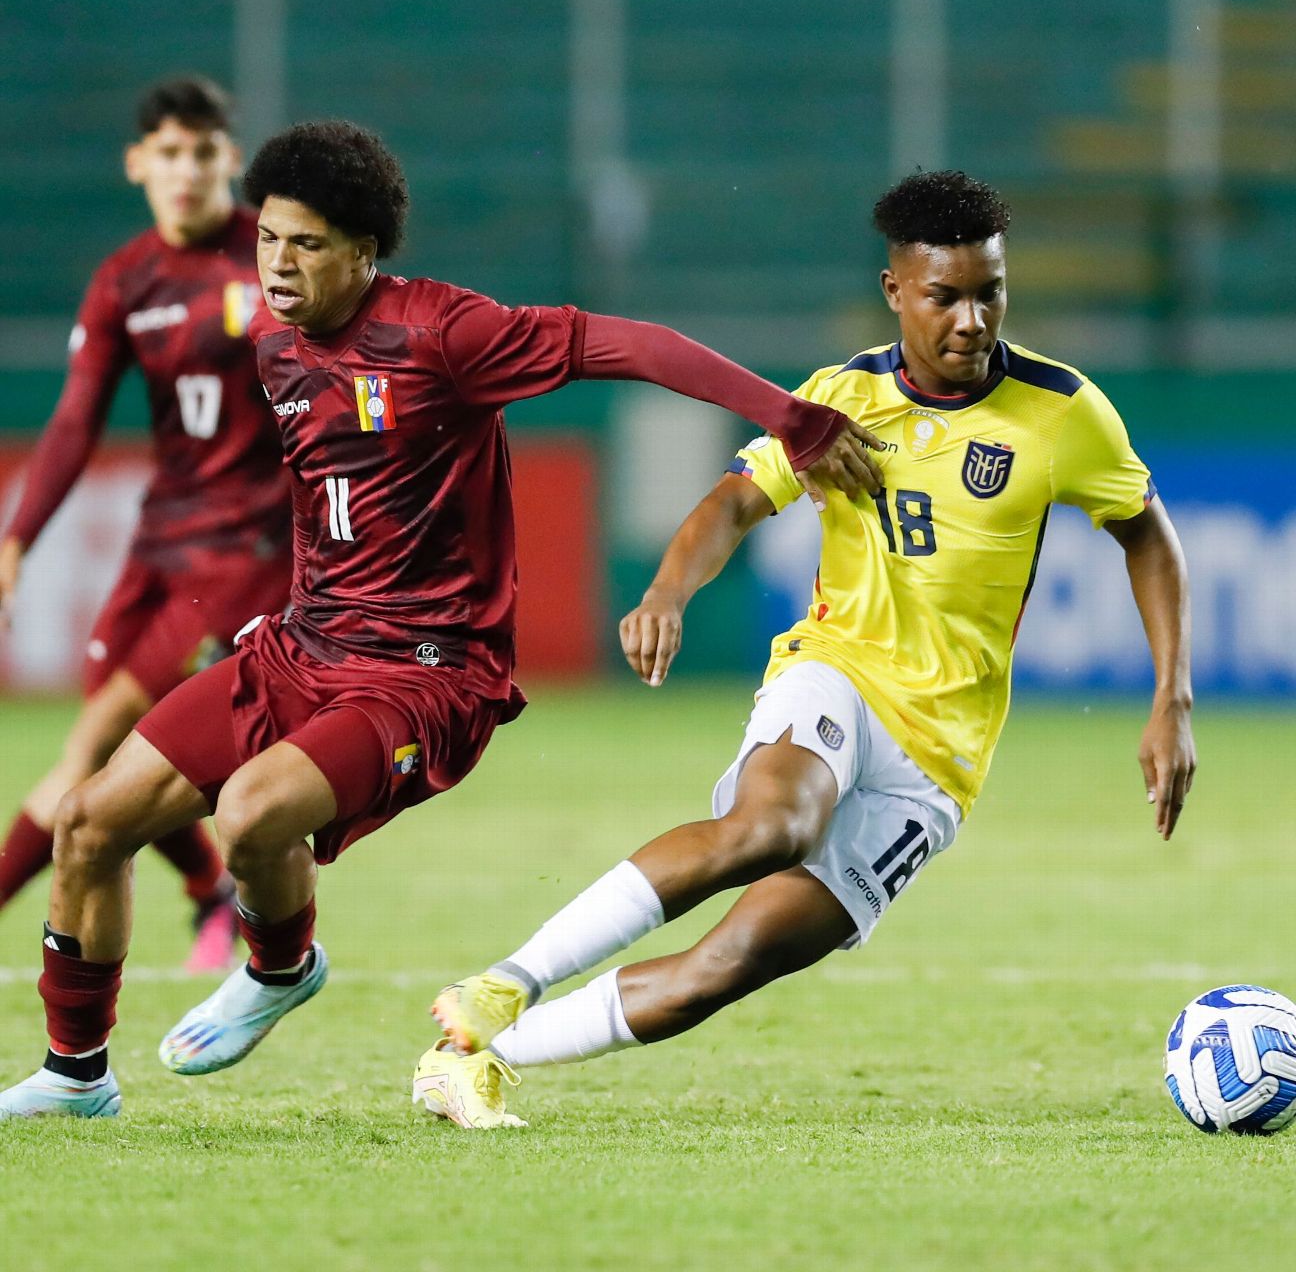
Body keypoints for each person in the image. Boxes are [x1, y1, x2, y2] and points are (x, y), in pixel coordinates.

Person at [0, 119, 877, 1120]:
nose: (279, 266)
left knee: (250, 812)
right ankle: (77, 1074)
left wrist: (791, 419)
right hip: (302, 645)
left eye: (309, 245)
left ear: (366, 252)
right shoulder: (273, 339)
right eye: (269, 240)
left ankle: (281, 967)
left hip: (426, 674)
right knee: (88, 819)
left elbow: (638, 344)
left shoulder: (445, 334)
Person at [414, 169, 1197, 1129]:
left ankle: (473, 1058)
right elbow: (737, 498)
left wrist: (1172, 697)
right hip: (837, 670)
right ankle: (507, 981)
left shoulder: (1064, 412)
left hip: (941, 758)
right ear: (895, 291)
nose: (971, 320)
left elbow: (1145, 532)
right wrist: (667, 589)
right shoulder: (842, 399)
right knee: (768, 830)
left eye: (989, 292)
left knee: (730, 965)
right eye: (944, 296)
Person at [0, 77, 292, 973]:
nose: (187, 171)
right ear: (139, 163)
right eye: (168, 152)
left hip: (246, 555)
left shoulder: (275, 256)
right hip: (157, 548)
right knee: (106, 765)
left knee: (89, 755)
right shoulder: (126, 279)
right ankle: (210, 894)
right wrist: (16, 540)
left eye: (204, 152)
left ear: (229, 161)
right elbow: (76, 419)